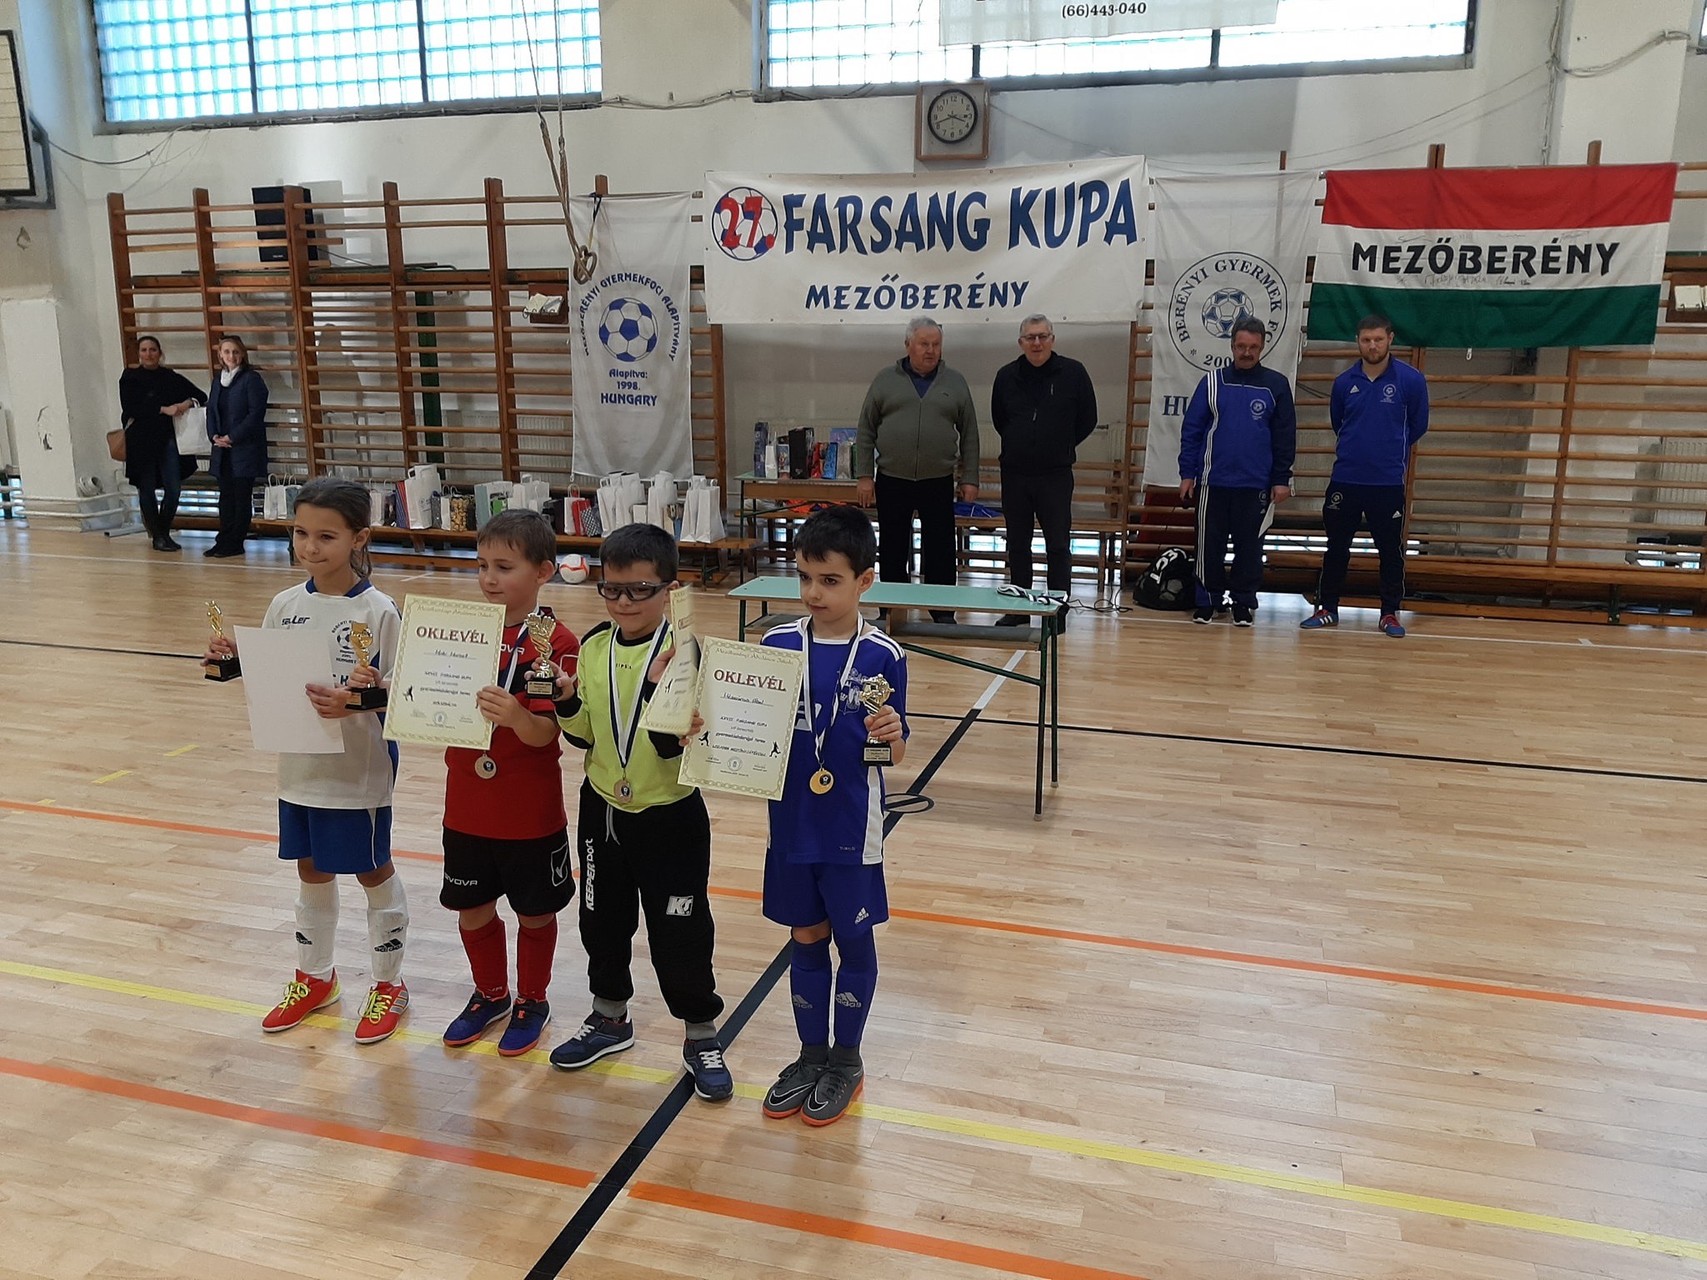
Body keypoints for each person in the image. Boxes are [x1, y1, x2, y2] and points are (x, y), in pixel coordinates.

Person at [201, 477, 411, 1044]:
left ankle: (389, 983)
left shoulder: (379, 610)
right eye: (300, 533)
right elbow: (274, 675)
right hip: (299, 768)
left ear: (358, 538)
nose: (310, 547)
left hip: (357, 772)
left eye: (326, 536)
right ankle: (316, 977)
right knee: (311, 869)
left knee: (372, 869)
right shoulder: (285, 605)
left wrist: (356, 700)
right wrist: (235, 660)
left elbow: (402, 693)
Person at [548, 523, 732, 1102]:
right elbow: (584, 735)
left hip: (670, 815)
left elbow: (675, 748)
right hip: (603, 809)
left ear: (670, 590)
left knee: (680, 930)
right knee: (601, 921)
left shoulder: (688, 653)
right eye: (612, 588)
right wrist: (566, 699)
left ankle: (700, 1032)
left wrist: (658, 690)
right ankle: (609, 1017)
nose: (624, 602)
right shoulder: (593, 647)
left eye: (639, 590)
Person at [758, 506, 908, 1126]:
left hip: (851, 827)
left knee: (853, 938)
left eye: (829, 580)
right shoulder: (775, 646)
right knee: (805, 936)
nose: (813, 593)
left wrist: (893, 734)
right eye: (804, 577)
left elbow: (894, 752)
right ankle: (810, 1054)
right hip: (791, 825)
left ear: (864, 581)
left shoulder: (883, 654)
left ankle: (846, 1059)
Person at [439, 510, 581, 1058]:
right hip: (466, 803)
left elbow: (547, 734)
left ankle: (533, 1000)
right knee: (471, 907)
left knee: (534, 911)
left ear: (543, 571)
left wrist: (517, 716)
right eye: (481, 566)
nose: (489, 578)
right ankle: (491, 994)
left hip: (528, 809)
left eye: (503, 567)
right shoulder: (459, 635)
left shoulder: (557, 643)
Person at [1301, 314, 1430, 638]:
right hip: (1346, 479)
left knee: (1390, 551)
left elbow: (1418, 425)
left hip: (1386, 482)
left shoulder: (1411, 380)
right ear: (1358, 341)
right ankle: (1328, 608)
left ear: (1390, 339)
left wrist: (1386, 450)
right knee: (1336, 547)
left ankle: (1389, 613)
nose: (1372, 346)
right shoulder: (1344, 382)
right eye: (1366, 340)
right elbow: (1339, 423)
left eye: (1378, 339)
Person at [854, 316, 979, 623]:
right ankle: (892, 611)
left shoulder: (955, 382)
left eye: (936, 344)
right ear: (908, 344)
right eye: (924, 344)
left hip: (938, 480)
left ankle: (942, 612)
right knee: (893, 548)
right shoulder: (885, 380)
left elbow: (970, 434)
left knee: (941, 550)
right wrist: (865, 476)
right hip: (892, 479)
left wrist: (970, 478)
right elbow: (865, 430)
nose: (930, 350)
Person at [1177, 317, 1297, 627]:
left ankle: (1243, 603)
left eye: (1253, 347)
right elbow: (1192, 430)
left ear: (1262, 347)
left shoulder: (1276, 385)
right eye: (1241, 346)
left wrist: (1281, 479)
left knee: (1250, 549)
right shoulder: (1212, 382)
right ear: (1231, 346)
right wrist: (1187, 473)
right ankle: (1208, 601)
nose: (1246, 352)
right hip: (1212, 482)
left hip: (1255, 484)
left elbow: (1284, 436)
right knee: (1208, 546)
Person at [990, 314, 1097, 626]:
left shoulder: (1074, 373)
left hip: (1055, 474)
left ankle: (1056, 613)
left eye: (1042, 337)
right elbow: (1000, 420)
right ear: (1021, 342)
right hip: (1016, 474)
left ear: (1052, 339)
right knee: (1017, 545)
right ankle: (1019, 611)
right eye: (1030, 338)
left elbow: (1088, 419)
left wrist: (1059, 445)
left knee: (1058, 545)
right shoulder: (1006, 376)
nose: (1036, 343)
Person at [118, 335, 204, 553]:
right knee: (146, 489)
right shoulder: (130, 377)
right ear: (139, 354)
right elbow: (131, 407)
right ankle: (158, 536)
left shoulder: (170, 377)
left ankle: (162, 531)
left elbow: (200, 395)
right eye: (144, 350)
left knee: (173, 488)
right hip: (141, 442)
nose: (148, 354)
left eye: (153, 350)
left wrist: (185, 404)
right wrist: (163, 409)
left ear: (160, 353)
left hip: (167, 440)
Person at [205, 334, 269, 558]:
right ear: (220, 355)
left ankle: (235, 541)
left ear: (242, 354)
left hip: (244, 448)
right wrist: (214, 435)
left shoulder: (251, 379)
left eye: (235, 352)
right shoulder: (218, 381)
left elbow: (255, 414)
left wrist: (232, 437)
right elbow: (211, 411)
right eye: (227, 352)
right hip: (222, 450)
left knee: (241, 497)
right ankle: (223, 539)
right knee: (225, 497)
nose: (231, 356)